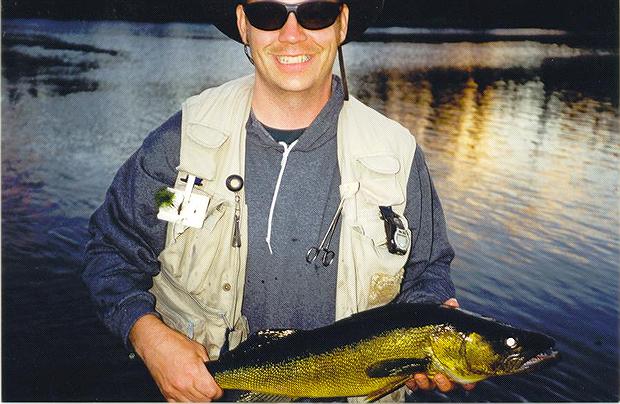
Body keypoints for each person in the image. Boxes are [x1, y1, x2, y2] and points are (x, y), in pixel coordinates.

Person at [82, 0, 475, 401]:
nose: (292, 34)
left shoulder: (396, 155)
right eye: (268, 14)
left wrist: (425, 342)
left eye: (315, 12)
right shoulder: (182, 148)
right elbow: (112, 249)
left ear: (341, 24)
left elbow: (426, 271)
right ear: (243, 25)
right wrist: (150, 339)